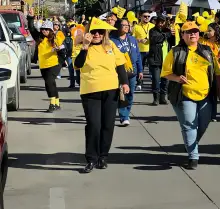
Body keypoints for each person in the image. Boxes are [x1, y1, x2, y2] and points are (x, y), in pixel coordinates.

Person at [74, 18, 130, 173]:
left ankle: (103, 156)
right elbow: (78, 64)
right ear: (88, 33)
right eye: (93, 32)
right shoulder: (81, 45)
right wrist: (85, 47)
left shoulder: (111, 45)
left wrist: (124, 83)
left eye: (100, 32)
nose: (97, 34)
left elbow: (120, 65)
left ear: (105, 33)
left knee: (107, 126)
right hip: (90, 91)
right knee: (94, 126)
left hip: (111, 90)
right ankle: (91, 158)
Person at [162, 21, 219, 170]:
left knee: (203, 124)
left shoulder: (207, 50)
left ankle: (190, 144)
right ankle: (193, 156)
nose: (192, 34)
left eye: (195, 31)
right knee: (189, 125)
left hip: (205, 95)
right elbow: (166, 73)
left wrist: (219, 90)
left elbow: (216, 72)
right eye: (189, 32)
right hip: (184, 94)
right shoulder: (175, 52)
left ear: (199, 34)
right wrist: (177, 78)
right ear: (183, 35)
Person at [111, 18, 142, 126]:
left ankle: (126, 113)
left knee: (130, 94)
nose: (126, 27)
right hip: (118, 70)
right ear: (118, 26)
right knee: (121, 93)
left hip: (132, 70)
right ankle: (123, 116)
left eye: (127, 25)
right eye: (124, 25)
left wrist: (140, 70)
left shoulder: (132, 39)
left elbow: (138, 55)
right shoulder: (112, 40)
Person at [37, 21, 65, 112]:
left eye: (46, 29)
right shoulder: (40, 38)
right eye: (42, 29)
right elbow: (31, 29)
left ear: (50, 30)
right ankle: (57, 103)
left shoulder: (56, 38)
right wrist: (30, 17)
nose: (44, 31)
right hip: (43, 65)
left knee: (49, 81)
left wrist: (60, 62)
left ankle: (52, 103)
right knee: (50, 83)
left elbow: (64, 49)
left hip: (54, 64)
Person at [201, 22, 220, 118]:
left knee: (214, 92)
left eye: (210, 30)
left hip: (216, 70)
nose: (207, 32)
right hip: (204, 69)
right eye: (207, 30)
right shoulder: (203, 41)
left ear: (216, 31)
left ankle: (213, 114)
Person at [148, 17, 174, 105]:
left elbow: (173, 43)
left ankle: (163, 98)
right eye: (159, 22)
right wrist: (166, 35)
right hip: (155, 59)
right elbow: (155, 39)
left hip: (166, 59)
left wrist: (173, 35)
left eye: (163, 22)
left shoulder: (168, 31)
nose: (161, 24)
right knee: (156, 79)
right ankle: (156, 98)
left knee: (165, 80)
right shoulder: (152, 31)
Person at [132, 11, 154, 91]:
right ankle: (139, 83)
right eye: (145, 16)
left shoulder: (152, 26)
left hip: (151, 50)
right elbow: (132, 38)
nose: (147, 18)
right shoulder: (136, 27)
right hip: (140, 51)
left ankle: (153, 83)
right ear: (140, 17)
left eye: (148, 16)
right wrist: (139, 40)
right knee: (140, 68)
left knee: (152, 68)